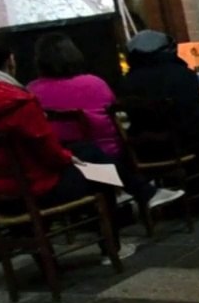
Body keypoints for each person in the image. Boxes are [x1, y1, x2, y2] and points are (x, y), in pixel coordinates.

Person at [0, 28, 129, 258]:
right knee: (100, 171)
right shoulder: (18, 101)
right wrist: (69, 158)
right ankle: (112, 247)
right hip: (36, 190)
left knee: (87, 152)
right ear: (9, 59)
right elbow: (49, 155)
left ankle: (44, 256)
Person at [26, 33, 182, 211]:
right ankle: (145, 194)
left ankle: (135, 198)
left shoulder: (32, 91)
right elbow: (113, 115)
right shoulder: (94, 84)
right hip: (104, 157)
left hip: (61, 163)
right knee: (100, 155)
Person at [118, 30, 199, 213]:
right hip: (184, 144)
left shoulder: (127, 82)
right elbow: (192, 110)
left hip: (145, 150)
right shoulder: (182, 74)